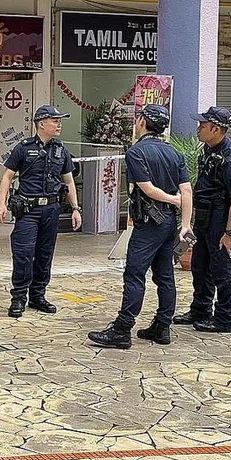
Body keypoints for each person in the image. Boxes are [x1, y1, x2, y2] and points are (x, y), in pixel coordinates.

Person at [88, 105, 193, 349]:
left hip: (149, 224)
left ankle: (122, 330)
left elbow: (147, 188)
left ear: (144, 121)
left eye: (138, 118)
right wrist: (185, 224)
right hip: (168, 223)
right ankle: (162, 326)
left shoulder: (136, 152)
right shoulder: (173, 153)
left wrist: (172, 199)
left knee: (134, 275)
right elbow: (187, 190)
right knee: (165, 276)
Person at [0, 105, 83, 318]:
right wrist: (1, 203)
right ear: (41, 123)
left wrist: (75, 208)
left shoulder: (61, 149)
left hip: (51, 210)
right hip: (28, 210)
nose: (59, 124)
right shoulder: (24, 148)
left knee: (45, 255)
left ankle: (38, 295)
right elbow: (7, 177)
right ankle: (18, 299)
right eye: (55, 120)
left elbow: (69, 181)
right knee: (24, 254)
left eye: (59, 120)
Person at [173, 106, 231, 333]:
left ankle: (225, 318)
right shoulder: (209, 150)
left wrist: (230, 234)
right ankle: (201, 309)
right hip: (205, 218)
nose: (198, 129)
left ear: (216, 129)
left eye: (202, 126)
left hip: (221, 220)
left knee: (223, 269)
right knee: (200, 266)